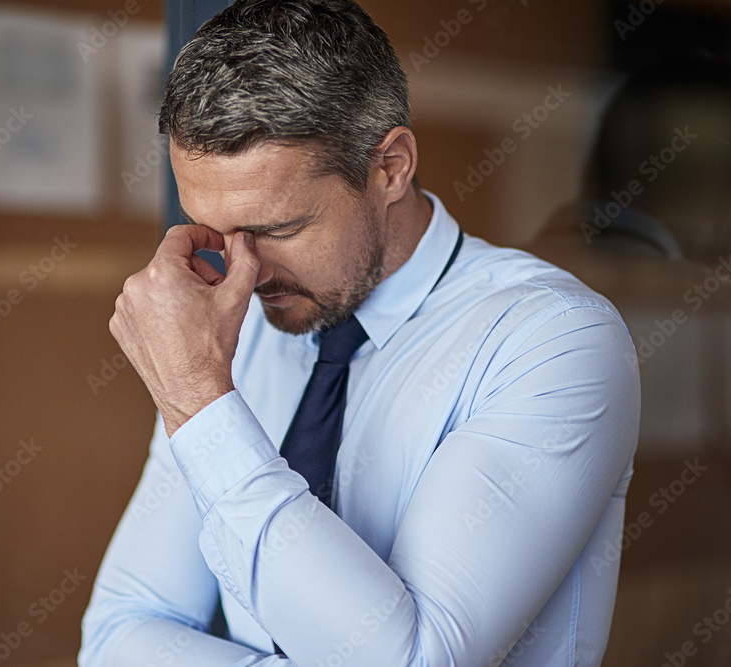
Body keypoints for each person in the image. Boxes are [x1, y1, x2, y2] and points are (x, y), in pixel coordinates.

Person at [80, 1, 640, 665]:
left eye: (278, 228)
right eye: (215, 229)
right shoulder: (237, 333)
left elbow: (414, 659)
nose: (244, 272)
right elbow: (119, 633)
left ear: (391, 167)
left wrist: (201, 401)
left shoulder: (552, 341)